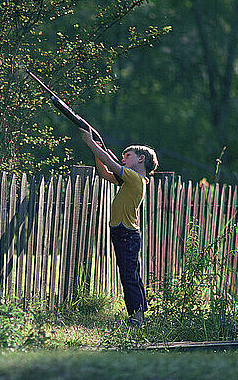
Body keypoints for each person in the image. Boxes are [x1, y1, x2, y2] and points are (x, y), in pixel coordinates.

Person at [80, 127, 158, 326]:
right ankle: (139, 315)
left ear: (141, 159)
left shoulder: (135, 178)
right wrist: (97, 150)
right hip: (123, 232)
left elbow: (110, 163)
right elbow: (105, 172)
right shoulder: (131, 179)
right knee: (130, 275)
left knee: (128, 276)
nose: (124, 158)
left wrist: (91, 143)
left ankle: (137, 318)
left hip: (126, 233)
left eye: (128, 155)